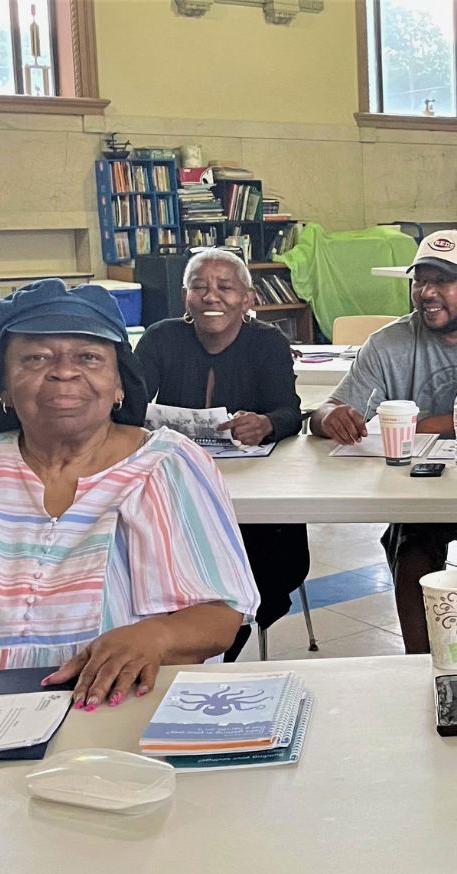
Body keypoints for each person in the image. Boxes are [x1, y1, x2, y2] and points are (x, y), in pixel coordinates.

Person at [0, 279, 259, 710]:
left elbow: (221, 615)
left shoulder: (171, 466)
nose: (64, 371)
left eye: (89, 357)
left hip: (125, 716)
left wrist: (157, 635)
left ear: (120, 383)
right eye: (36, 358)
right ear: (4, 389)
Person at [310, 230, 457, 652]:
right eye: (419, 281)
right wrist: (331, 417)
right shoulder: (389, 342)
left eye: (443, 281)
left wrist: (424, 424)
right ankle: (422, 665)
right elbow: (326, 410)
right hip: (424, 492)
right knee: (410, 543)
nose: (427, 293)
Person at [135, 248, 308, 661]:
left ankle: (236, 623)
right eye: (200, 287)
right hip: (178, 481)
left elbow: (290, 412)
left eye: (225, 287)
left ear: (248, 298)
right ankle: (184, 626)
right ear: (185, 297)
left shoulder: (267, 343)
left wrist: (266, 423)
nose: (212, 296)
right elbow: (127, 405)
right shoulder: (161, 337)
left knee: (261, 550)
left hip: (254, 484)